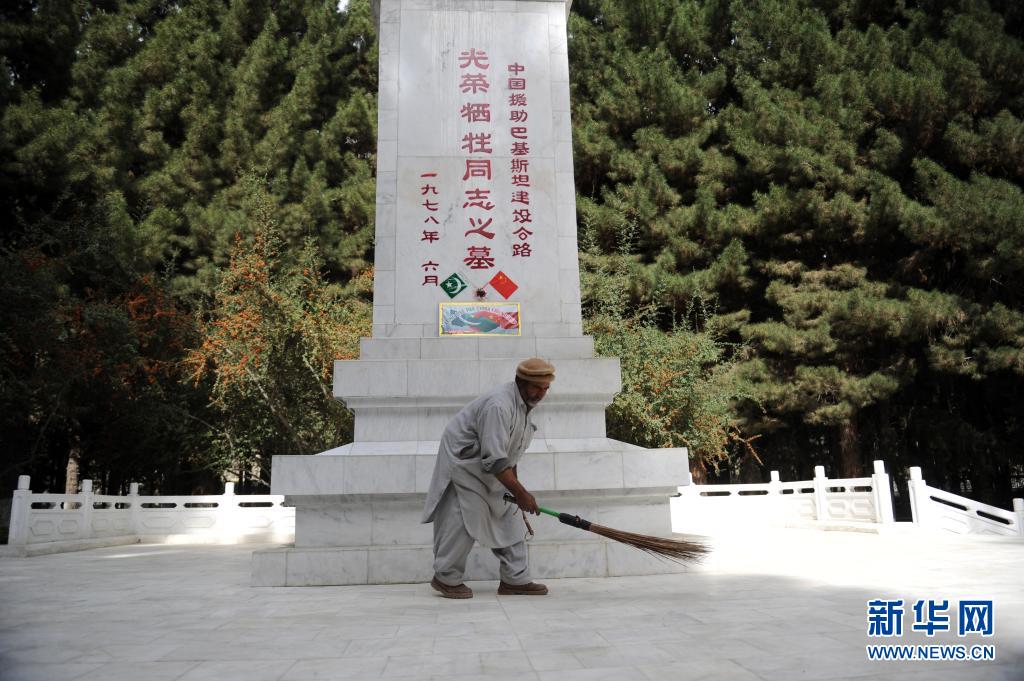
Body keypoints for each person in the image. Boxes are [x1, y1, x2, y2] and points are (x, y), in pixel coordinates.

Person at [421, 357, 554, 598]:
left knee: (510, 519)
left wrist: (515, 491)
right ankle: (445, 578)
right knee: (463, 522)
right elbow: (495, 459)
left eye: (546, 388)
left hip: (491, 471)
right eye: (537, 387)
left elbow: (509, 453)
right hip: (465, 468)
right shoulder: (498, 405)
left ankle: (515, 579)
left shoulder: (523, 405)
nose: (541, 394)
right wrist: (521, 493)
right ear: (521, 382)